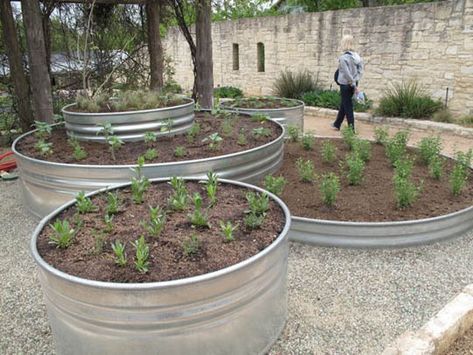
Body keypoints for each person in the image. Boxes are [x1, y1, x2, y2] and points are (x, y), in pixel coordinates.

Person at [332, 35, 364, 132]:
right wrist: (355, 82)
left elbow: (346, 73)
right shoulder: (357, 57)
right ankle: (337, 124)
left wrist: (352, 83)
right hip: (354, 82)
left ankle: (351, 129)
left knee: (348, 105)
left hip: (345, 84)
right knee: (344, 103)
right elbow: (360, 71)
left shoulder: (343, 58)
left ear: (344, 44)